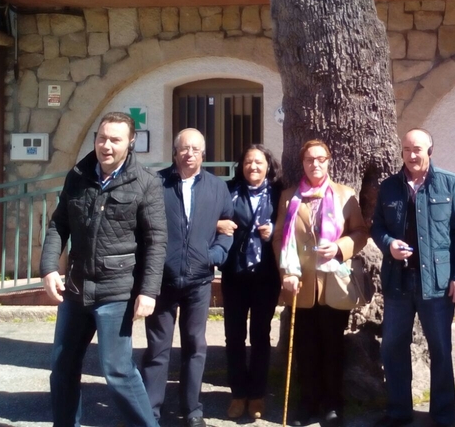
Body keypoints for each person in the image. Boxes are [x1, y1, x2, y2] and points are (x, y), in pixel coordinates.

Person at [40, 111, 167, 427]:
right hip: (75, 289)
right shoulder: (77, 175)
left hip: (116, 292)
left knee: (117, 371)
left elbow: (156, 241)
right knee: (63, 367)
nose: (106, 146)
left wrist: (148, 291)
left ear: (130, 142)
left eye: (115, 140)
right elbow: (59, 224)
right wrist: (48, 267)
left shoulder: (146, 182)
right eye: (101, 138)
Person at [371, 128, 455, 427]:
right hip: (398, 281)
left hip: (437, 283)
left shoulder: (450, 183)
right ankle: (399, 411)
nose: (412, 155)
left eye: (417, 149)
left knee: (440, 348)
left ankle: (443, 414)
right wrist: (389, 243)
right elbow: (377, 226)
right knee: (392, 347)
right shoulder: (389, 187)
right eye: (406, 149)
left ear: (430, 150)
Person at [141, 128, 234, 427]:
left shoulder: (217, 187)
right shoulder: (155, 183)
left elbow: (228, 228)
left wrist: (214, 255)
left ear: (203, 154)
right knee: (157, 349)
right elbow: (141, 226)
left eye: (195, 149)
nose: (189, 153)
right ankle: (151, 412)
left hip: (199, 281)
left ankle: (192, 410)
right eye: (184, 148)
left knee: (195, 346)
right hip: (162, 281)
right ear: (175, 152)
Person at [272, 139, 367, 427]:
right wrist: (286, 273)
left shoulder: (345, 195)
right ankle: (308, 403)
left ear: (329, 161)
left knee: (333, 347)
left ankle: (333, 404)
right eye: (309, 159)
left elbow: (360, 233)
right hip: (300, 283)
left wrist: (339, 247)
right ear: (302, 163)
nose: (315, 164)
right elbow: (279, 237)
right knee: (306, 347)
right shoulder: (289, 197)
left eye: (320, 158)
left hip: (333, 284)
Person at [217, 144, 283, 421]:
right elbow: (209, 216)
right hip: (234, 274)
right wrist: (218, 224)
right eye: (247, 162)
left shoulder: (280, 193)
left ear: (268, 165)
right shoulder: (228, 190)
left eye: (258, 162)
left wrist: (275, 230)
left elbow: (293, 224)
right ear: (241, 166)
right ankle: (237, 394)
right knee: (233, 335)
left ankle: (257, 394)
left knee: (260, 335)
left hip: (266, 275)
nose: (253, 167)